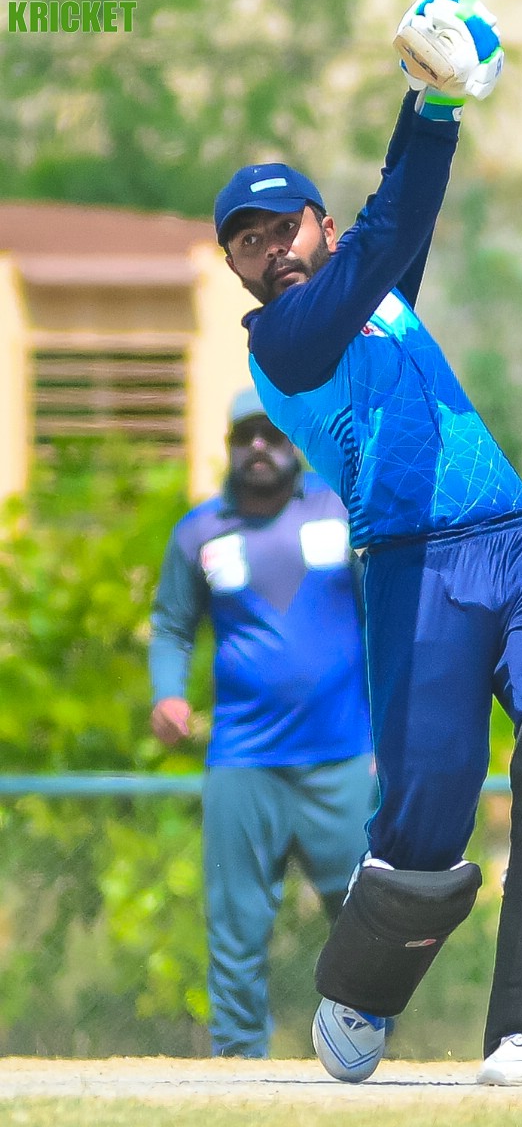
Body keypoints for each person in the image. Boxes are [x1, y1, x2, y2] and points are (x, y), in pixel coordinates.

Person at [212, 0, 522, 1086]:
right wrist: (435, 103)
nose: (269, 251)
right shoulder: (285, 343)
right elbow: (389, 232)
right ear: (238, 275)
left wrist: (429, 103)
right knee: (424, 825)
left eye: (283, 227)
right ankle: (360, 992)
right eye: (246, 244)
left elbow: (400, 218)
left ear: (322, 226)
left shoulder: (372, 292)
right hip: (418, 572)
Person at [149, 386, 374, 1059]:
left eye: (271, 434)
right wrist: (167, 694)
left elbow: (385, 620)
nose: (258, 447)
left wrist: (390, 733)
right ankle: (238, 1060)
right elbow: (171, 626)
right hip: (243, 761)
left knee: (364, 919)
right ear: (228, 446)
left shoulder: (340, 511)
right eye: (245, 435)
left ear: (291, 442)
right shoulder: (199, 531)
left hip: (342, 757)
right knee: (237, 923)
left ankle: (363, 1051)